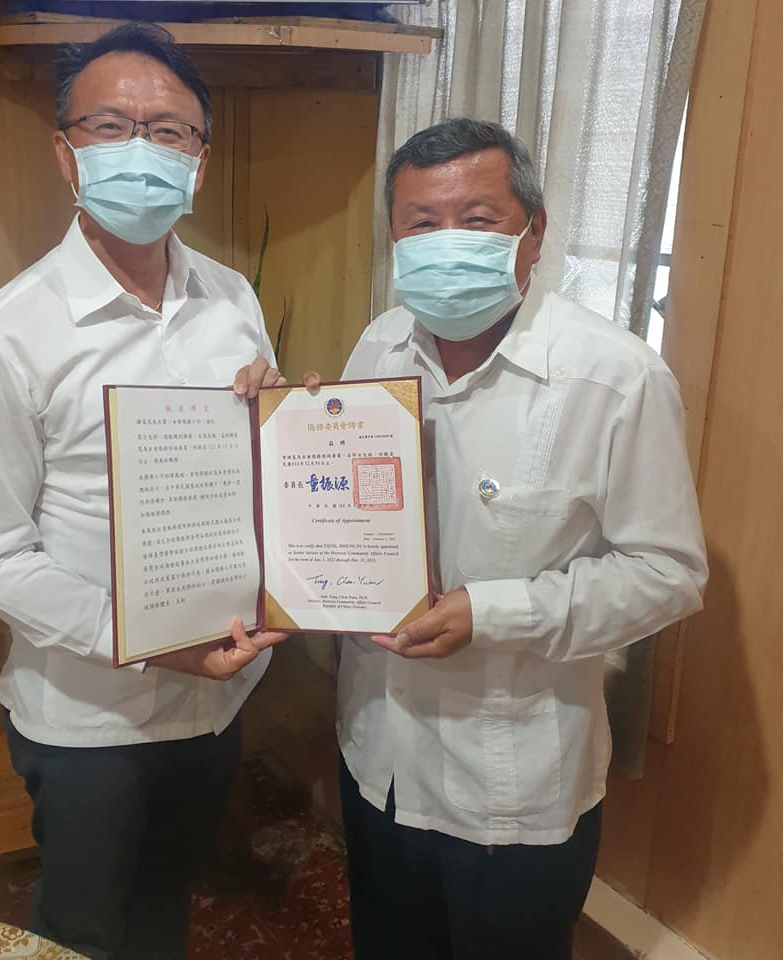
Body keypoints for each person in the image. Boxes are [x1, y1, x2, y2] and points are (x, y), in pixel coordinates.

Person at [0, 23, 286, 960]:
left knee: (167, 902)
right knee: (85, 931)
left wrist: (284, 424)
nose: (141, 148)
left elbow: (262, 475)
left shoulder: (233, 299)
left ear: (199, 161)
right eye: (110, 126)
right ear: (66, 154)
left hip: (217, 695)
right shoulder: (1, 338)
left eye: (167, 130)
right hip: (88, 719)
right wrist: (143, 643)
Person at [336, 119, 708, 959]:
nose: (446, 242)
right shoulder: (380, 344)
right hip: (376, 757)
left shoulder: (615, 377)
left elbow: (669, 572)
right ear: (394, 237)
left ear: (533, 233)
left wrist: (495, 612)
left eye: (478, 219)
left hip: (510, 794)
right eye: (421, 223)